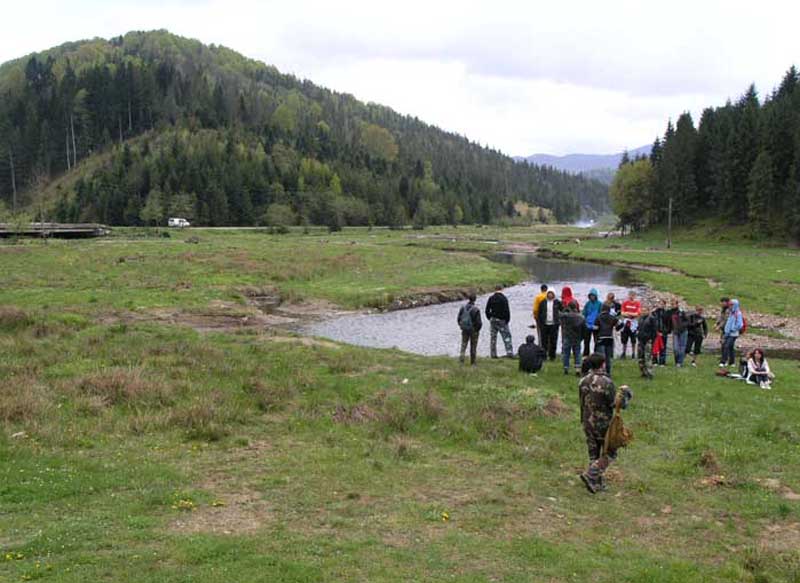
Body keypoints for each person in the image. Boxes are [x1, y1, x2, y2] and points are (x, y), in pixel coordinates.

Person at [578, 353, 632, 494]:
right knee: (610, 452)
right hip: (603, 423)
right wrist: (626, 395)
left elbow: (581, 401)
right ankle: (591, 474)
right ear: (603, 364)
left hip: (587, 421)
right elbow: (615, 404)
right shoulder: (606, 382)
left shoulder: (583, 381)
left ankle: (596, 482)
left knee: (593, 453)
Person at [485, 285, 514, 359]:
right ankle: (509, 353)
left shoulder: (491, 298)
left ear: (495, 289)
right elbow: (507, 311)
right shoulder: (504, 298)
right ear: (501, 289)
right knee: (506, 336)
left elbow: (487, 310)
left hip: (493, 320)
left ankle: (493, 354)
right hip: (502, 320)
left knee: (493, 338)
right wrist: (507, 320)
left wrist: (489, 317)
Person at [560, 300, 585, 375]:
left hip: (567, 336)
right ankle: (578, 369)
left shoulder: (566, 316)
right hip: (577, 337)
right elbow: (584, 328)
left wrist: (565, 309)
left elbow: (559, 316)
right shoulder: (581, 317)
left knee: (566, 353)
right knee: (577, 353)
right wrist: (582, 337)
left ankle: (566, 368)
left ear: (569, 307)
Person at [457, 293, 482, 365]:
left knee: (463, 345)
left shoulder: (462, 308)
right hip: (473, 330)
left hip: (464, 329)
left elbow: (458, 319)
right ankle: (473, 362)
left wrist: (461, 326)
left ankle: (461, 361)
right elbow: (479, 322)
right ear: (475, 299)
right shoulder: (476, 309)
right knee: (473, 346)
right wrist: (477, 330)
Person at [536, 289, 562, 361]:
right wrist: (540, 323)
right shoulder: (542, 302)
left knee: (553, 341)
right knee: (544, 341)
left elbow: (562, 310)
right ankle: (544, 356)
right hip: (544, 324)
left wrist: (559, 321)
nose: (550, 295)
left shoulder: (557, 302)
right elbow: (539, 313)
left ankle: (552, 356)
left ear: (554, 294)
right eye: (549, 293)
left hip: (554, 324)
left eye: (551, 294)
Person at [595, 303, 619, 375]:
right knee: (608, 357)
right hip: (609, 338)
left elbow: (595, 329)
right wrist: (616, 328)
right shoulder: (612, 317)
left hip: (601, 338)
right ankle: (608, 372)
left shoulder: (598, 317)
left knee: (602, 357)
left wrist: (596, 337)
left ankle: (602, 371)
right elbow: (620, 325)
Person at [720, 299, 744, 367]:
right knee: (730, 347)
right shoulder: (731, 313)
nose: (729, 306)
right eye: (729, 305)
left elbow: (740, 324)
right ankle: (732, 362)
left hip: (733, 334)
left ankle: (723, 361)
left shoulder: (738, 313)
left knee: (726, 346)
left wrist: (732, 329)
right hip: (727, 333)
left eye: (731, 305)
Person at [667, 299, 690, 367]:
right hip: (675, 332)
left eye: (673, 304)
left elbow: (687, 321)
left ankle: (680, 362)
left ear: (677, 304)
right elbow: (668, 321)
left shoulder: (681, 312)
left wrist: (682, 325)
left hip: (683, 331)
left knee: (682, 347)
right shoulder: (670, 312)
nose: (672, 305)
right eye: (671, 304)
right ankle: (677, 361)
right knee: (675, 348)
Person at [636, 305, 657, 379]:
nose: (643, 312)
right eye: (642, 310)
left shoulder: (652, 319)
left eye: (645, 310)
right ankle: (643, 372)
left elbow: (654, 330)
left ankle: (649, 373)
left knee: (648, 357)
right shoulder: (640, 318)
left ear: (648, 311)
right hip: (640, 340)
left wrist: (652, 339)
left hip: (648, 340)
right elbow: (638, 328)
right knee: (640, 357)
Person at [620, 290, 642, 360]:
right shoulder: (625, 303)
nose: (631, 297)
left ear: (635, 296)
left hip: (633, 323)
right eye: (630, 295)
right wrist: (630, 314)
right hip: (626, 322)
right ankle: (623, 353)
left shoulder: (637, 303)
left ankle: (633, 353)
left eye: (633, 295)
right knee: (624, 339)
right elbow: (622, 313)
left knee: (633, 340)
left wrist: (628, 313)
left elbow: (638, 313)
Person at [582, 288, 602, 356]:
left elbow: (601, 314)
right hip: (587, 325)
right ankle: (586, 354)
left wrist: (599, 323)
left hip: (596, 325)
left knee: (596, 341)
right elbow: (584, 313)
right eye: (591, 296)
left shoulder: (599, 304)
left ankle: (596, 354)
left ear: (596, 296)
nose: (592, 297)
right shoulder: (587, 304)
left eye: (593, 295)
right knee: (586, 341)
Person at [651, 299, 668, 366]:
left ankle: (662, 362)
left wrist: (664, 332)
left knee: (663, 347)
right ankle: (654, 361)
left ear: (664, 305)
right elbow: (652, 323)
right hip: (655, 332)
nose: (661, 305)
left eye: (662, 304)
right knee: (654, 346)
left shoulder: (666, 313)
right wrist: (655, 331)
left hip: (663, 332)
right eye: (659, 304)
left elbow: (668, 325)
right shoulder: (654, 313)